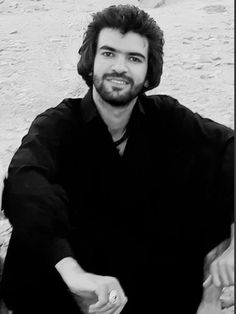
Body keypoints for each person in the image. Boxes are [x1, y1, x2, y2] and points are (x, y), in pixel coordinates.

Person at [1, 5, 234, 314]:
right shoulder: (58, 124)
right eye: (109, 54)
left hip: (150, 284)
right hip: (70, 291)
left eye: (134, 58)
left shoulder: (166, 117)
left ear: (148, 70)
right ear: (91, 61)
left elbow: (230, 149)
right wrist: (73, 273)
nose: (119, 67)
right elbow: (24, 181)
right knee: (35, 207)